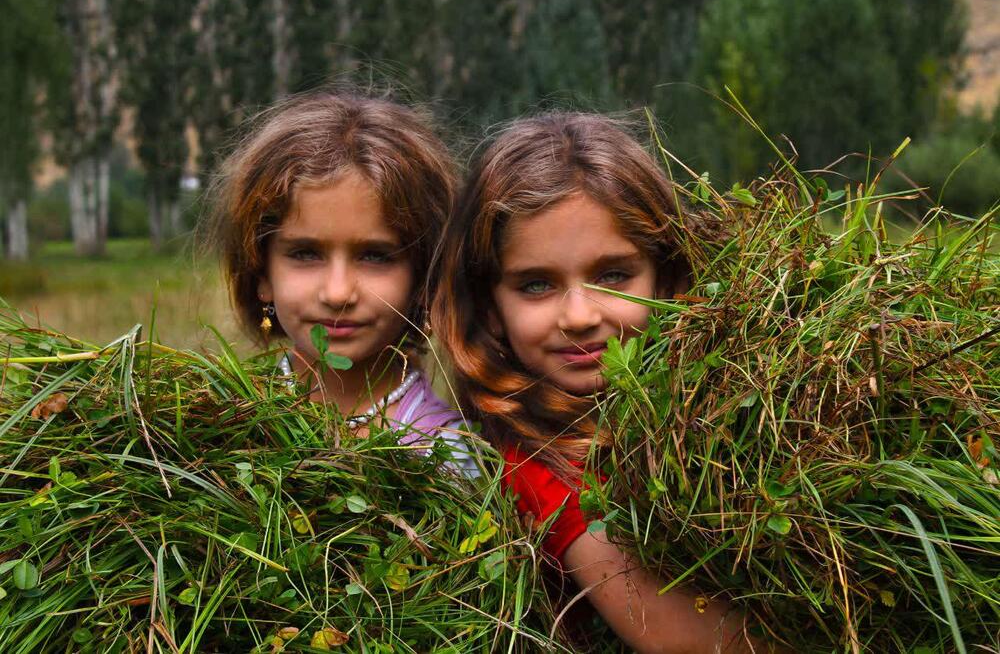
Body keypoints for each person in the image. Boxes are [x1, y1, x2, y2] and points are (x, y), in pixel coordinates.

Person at [431, 112, 773, 652]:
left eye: (613, 275)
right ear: (491, 309)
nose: (579, 315)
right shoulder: (539, 471)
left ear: (667, 276)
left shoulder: (719, 404)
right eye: (536, 285)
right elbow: (683, 640)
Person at [210, 90, 477, 476]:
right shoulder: (217, 418)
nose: (337, 293)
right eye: (305, 254)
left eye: (375, 256)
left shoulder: (447, 457)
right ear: (261, 275)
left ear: (424, 278)